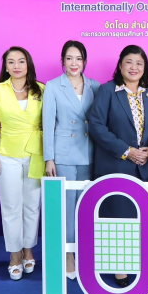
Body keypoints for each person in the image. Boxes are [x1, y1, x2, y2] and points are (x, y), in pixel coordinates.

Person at [90, 45, 148, 287]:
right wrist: (127, 151)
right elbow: (96, 125)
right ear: (120, 65)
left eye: (139, 63)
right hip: (116, 166)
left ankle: (138, 262)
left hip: (144, 167)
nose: (134, 67)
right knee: (118, 219)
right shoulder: (108, 90)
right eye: (129, 62)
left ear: (145, 68)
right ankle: (119, 268)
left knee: (140, 219)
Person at [0, 46, 45, 281]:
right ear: (6, 66)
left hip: (36, 154)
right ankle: (15, 255)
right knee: (11, 207)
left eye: (21, 61)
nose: (16, 66)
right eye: (11, 62)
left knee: (32, 206)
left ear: (28, 64)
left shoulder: (41, 89)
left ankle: (28, 250)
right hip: (7, 154)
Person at [42, 40, 100, 279]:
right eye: (69, 58)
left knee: (85, 204)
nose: (74, 63)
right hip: (64, 153)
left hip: (89, 151)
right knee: (66, 206)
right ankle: (67, 254)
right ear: (63, 61)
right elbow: (48, 124)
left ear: (84, 61)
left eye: (78, 58)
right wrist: (49, 158)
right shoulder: (53, 86)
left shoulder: (95, 86)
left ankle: (83, 250)